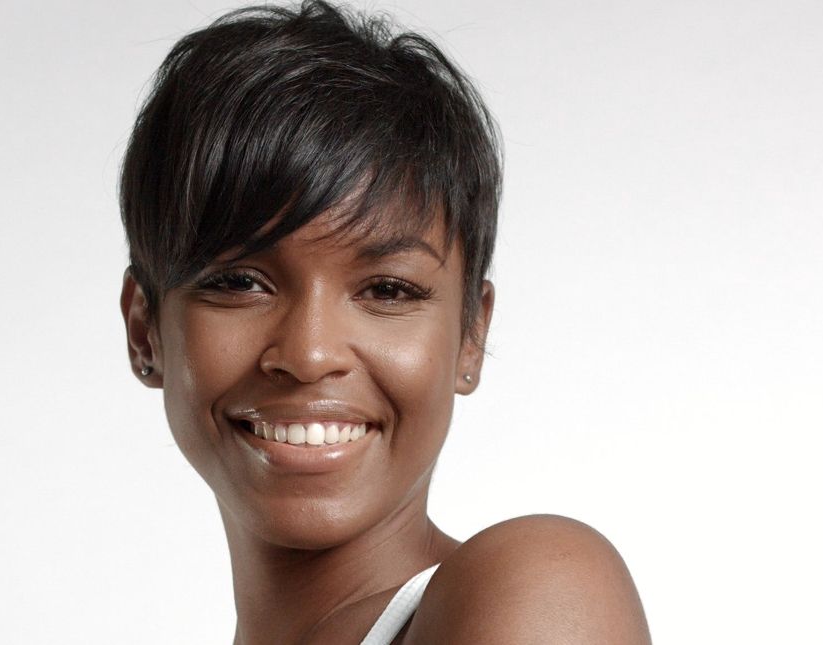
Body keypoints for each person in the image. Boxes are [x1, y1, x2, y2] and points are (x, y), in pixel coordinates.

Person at [117, 1, 650, 643]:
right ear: (146, 332)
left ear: (470, 337)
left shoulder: (541, 586)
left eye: (388, 290)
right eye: (238, 282)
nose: (310, 353)